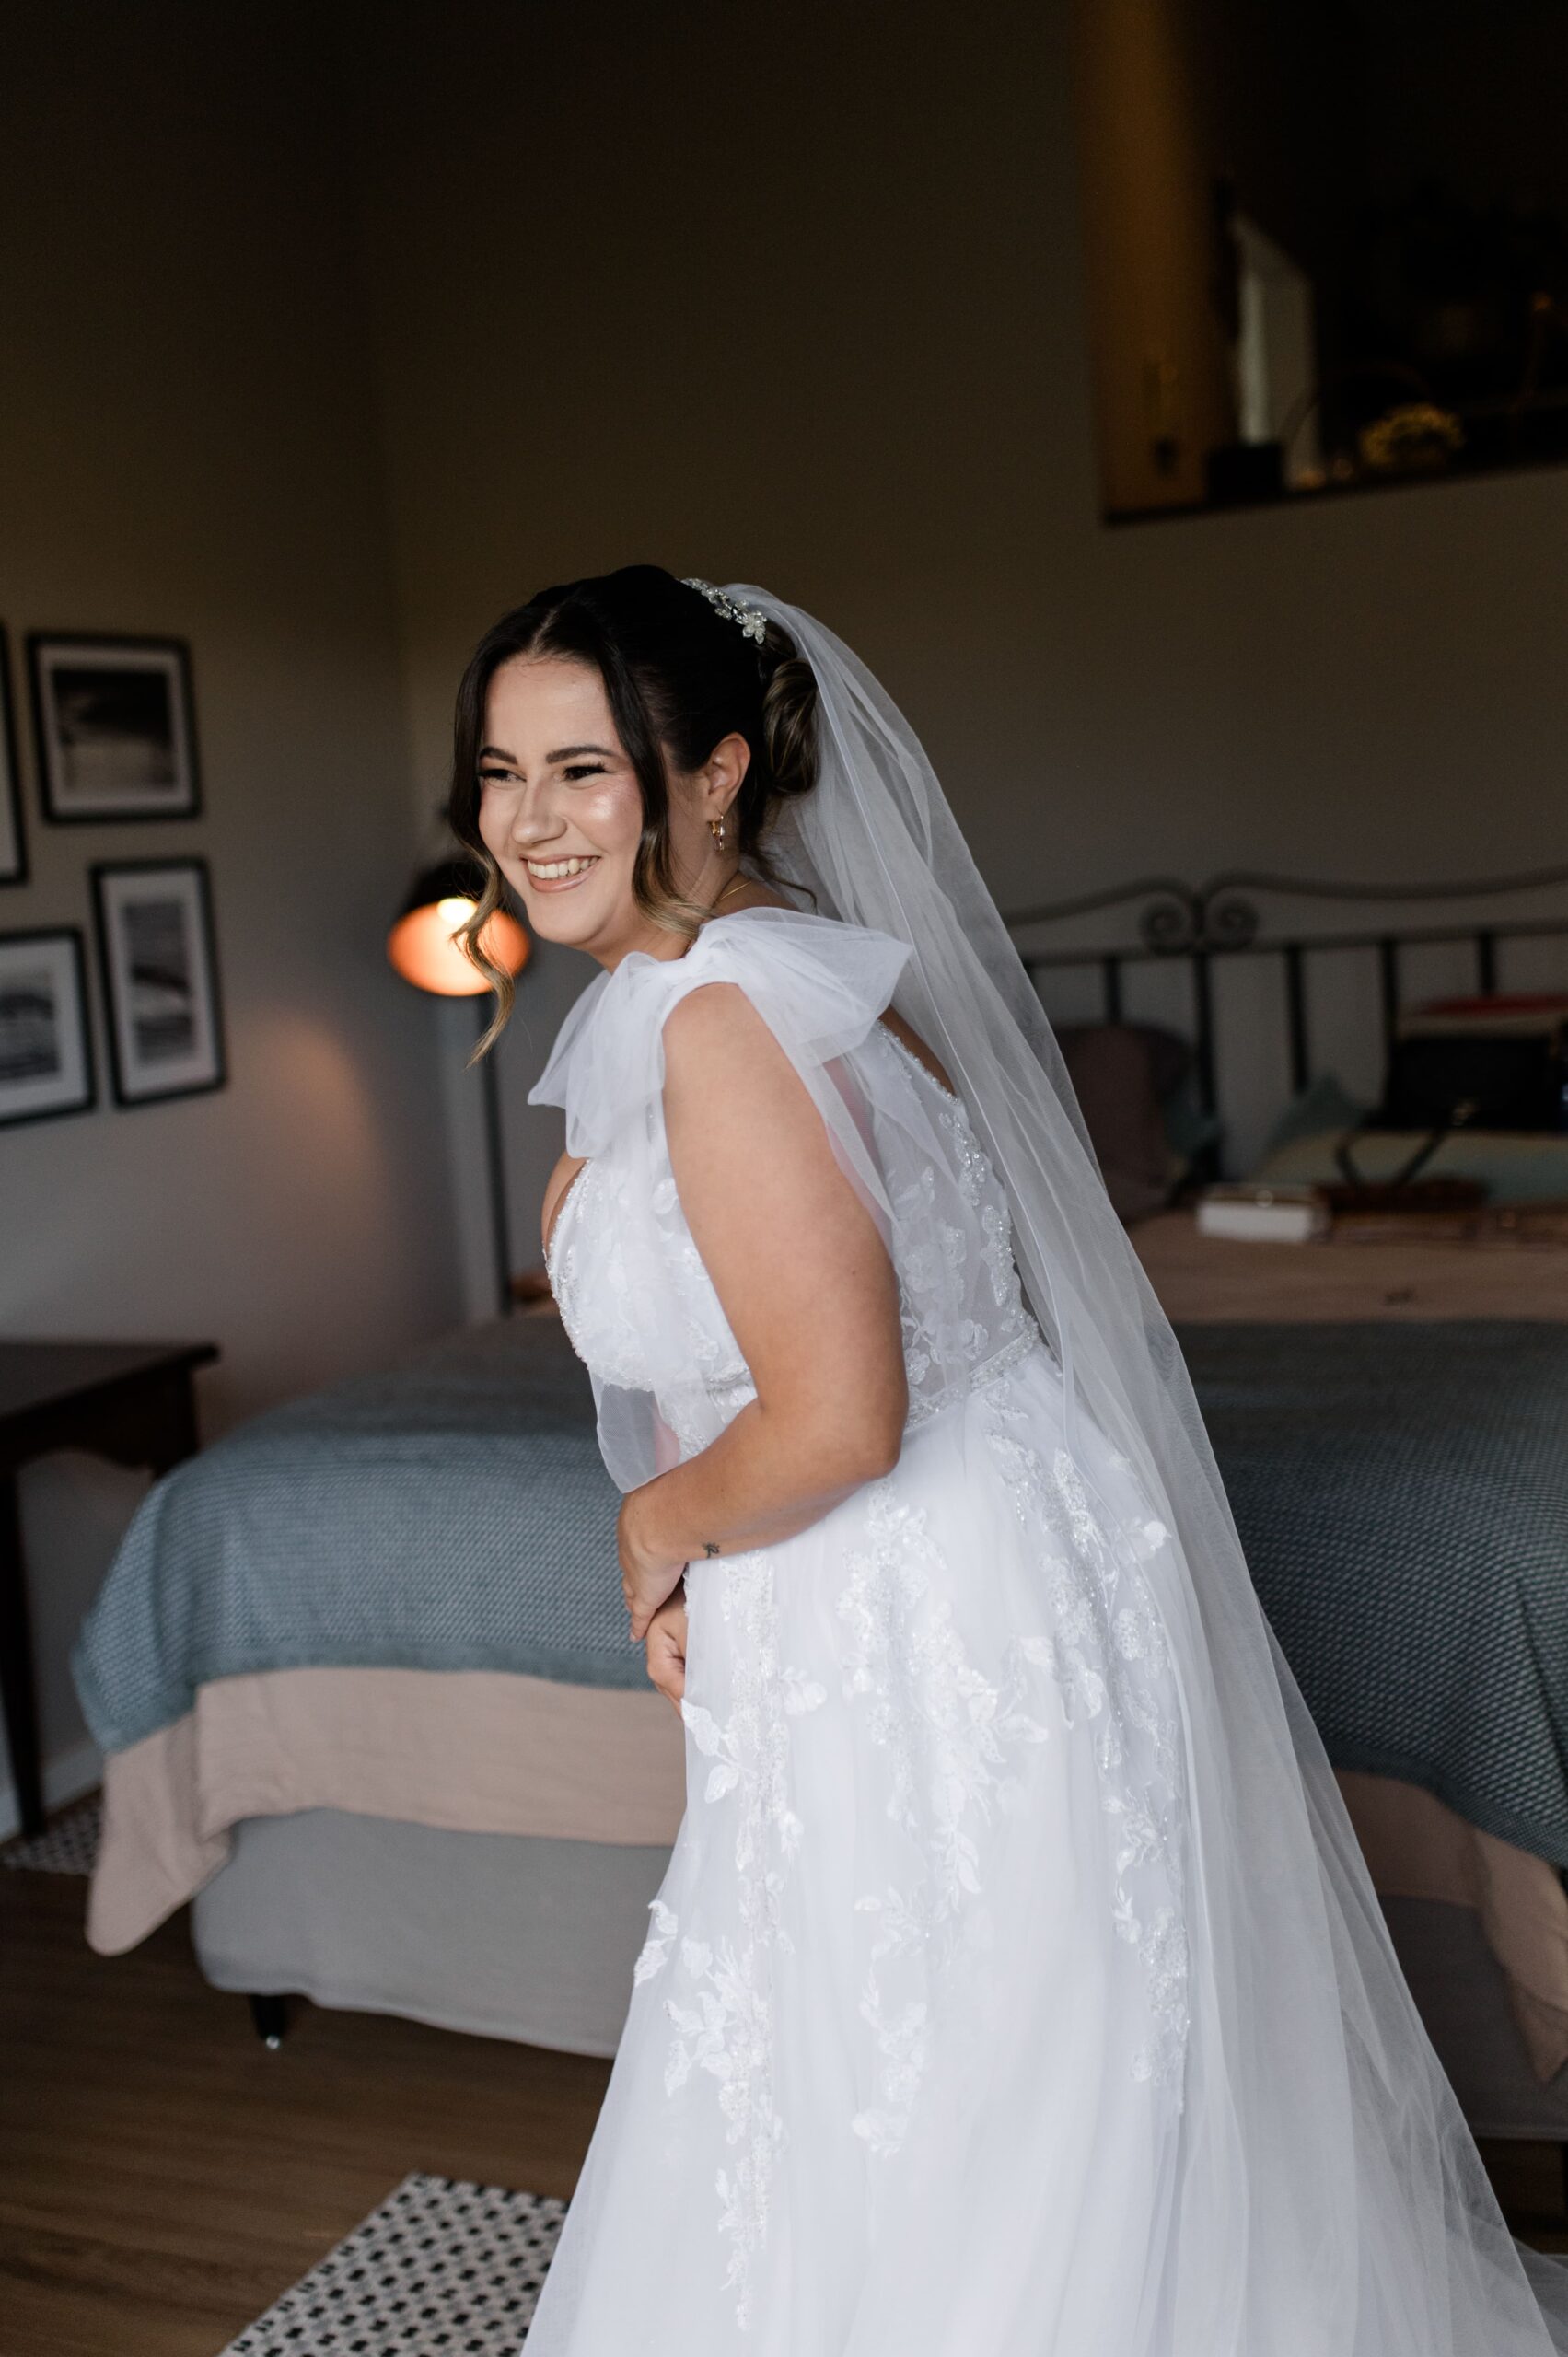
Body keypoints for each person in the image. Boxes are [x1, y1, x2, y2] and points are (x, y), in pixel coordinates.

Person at [448, 564, 1568, 2355]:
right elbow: (748, 1351)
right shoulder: (787, 976)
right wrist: (709, 1558)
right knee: (1001, 2071)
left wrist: (654, 1532)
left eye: (582, 767)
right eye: (502, 773)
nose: (528, 820)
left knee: (961, 2093)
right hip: (943, 1564)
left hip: (912, 1600)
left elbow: (840, 1416)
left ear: (715, 772)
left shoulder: (728, 1020)